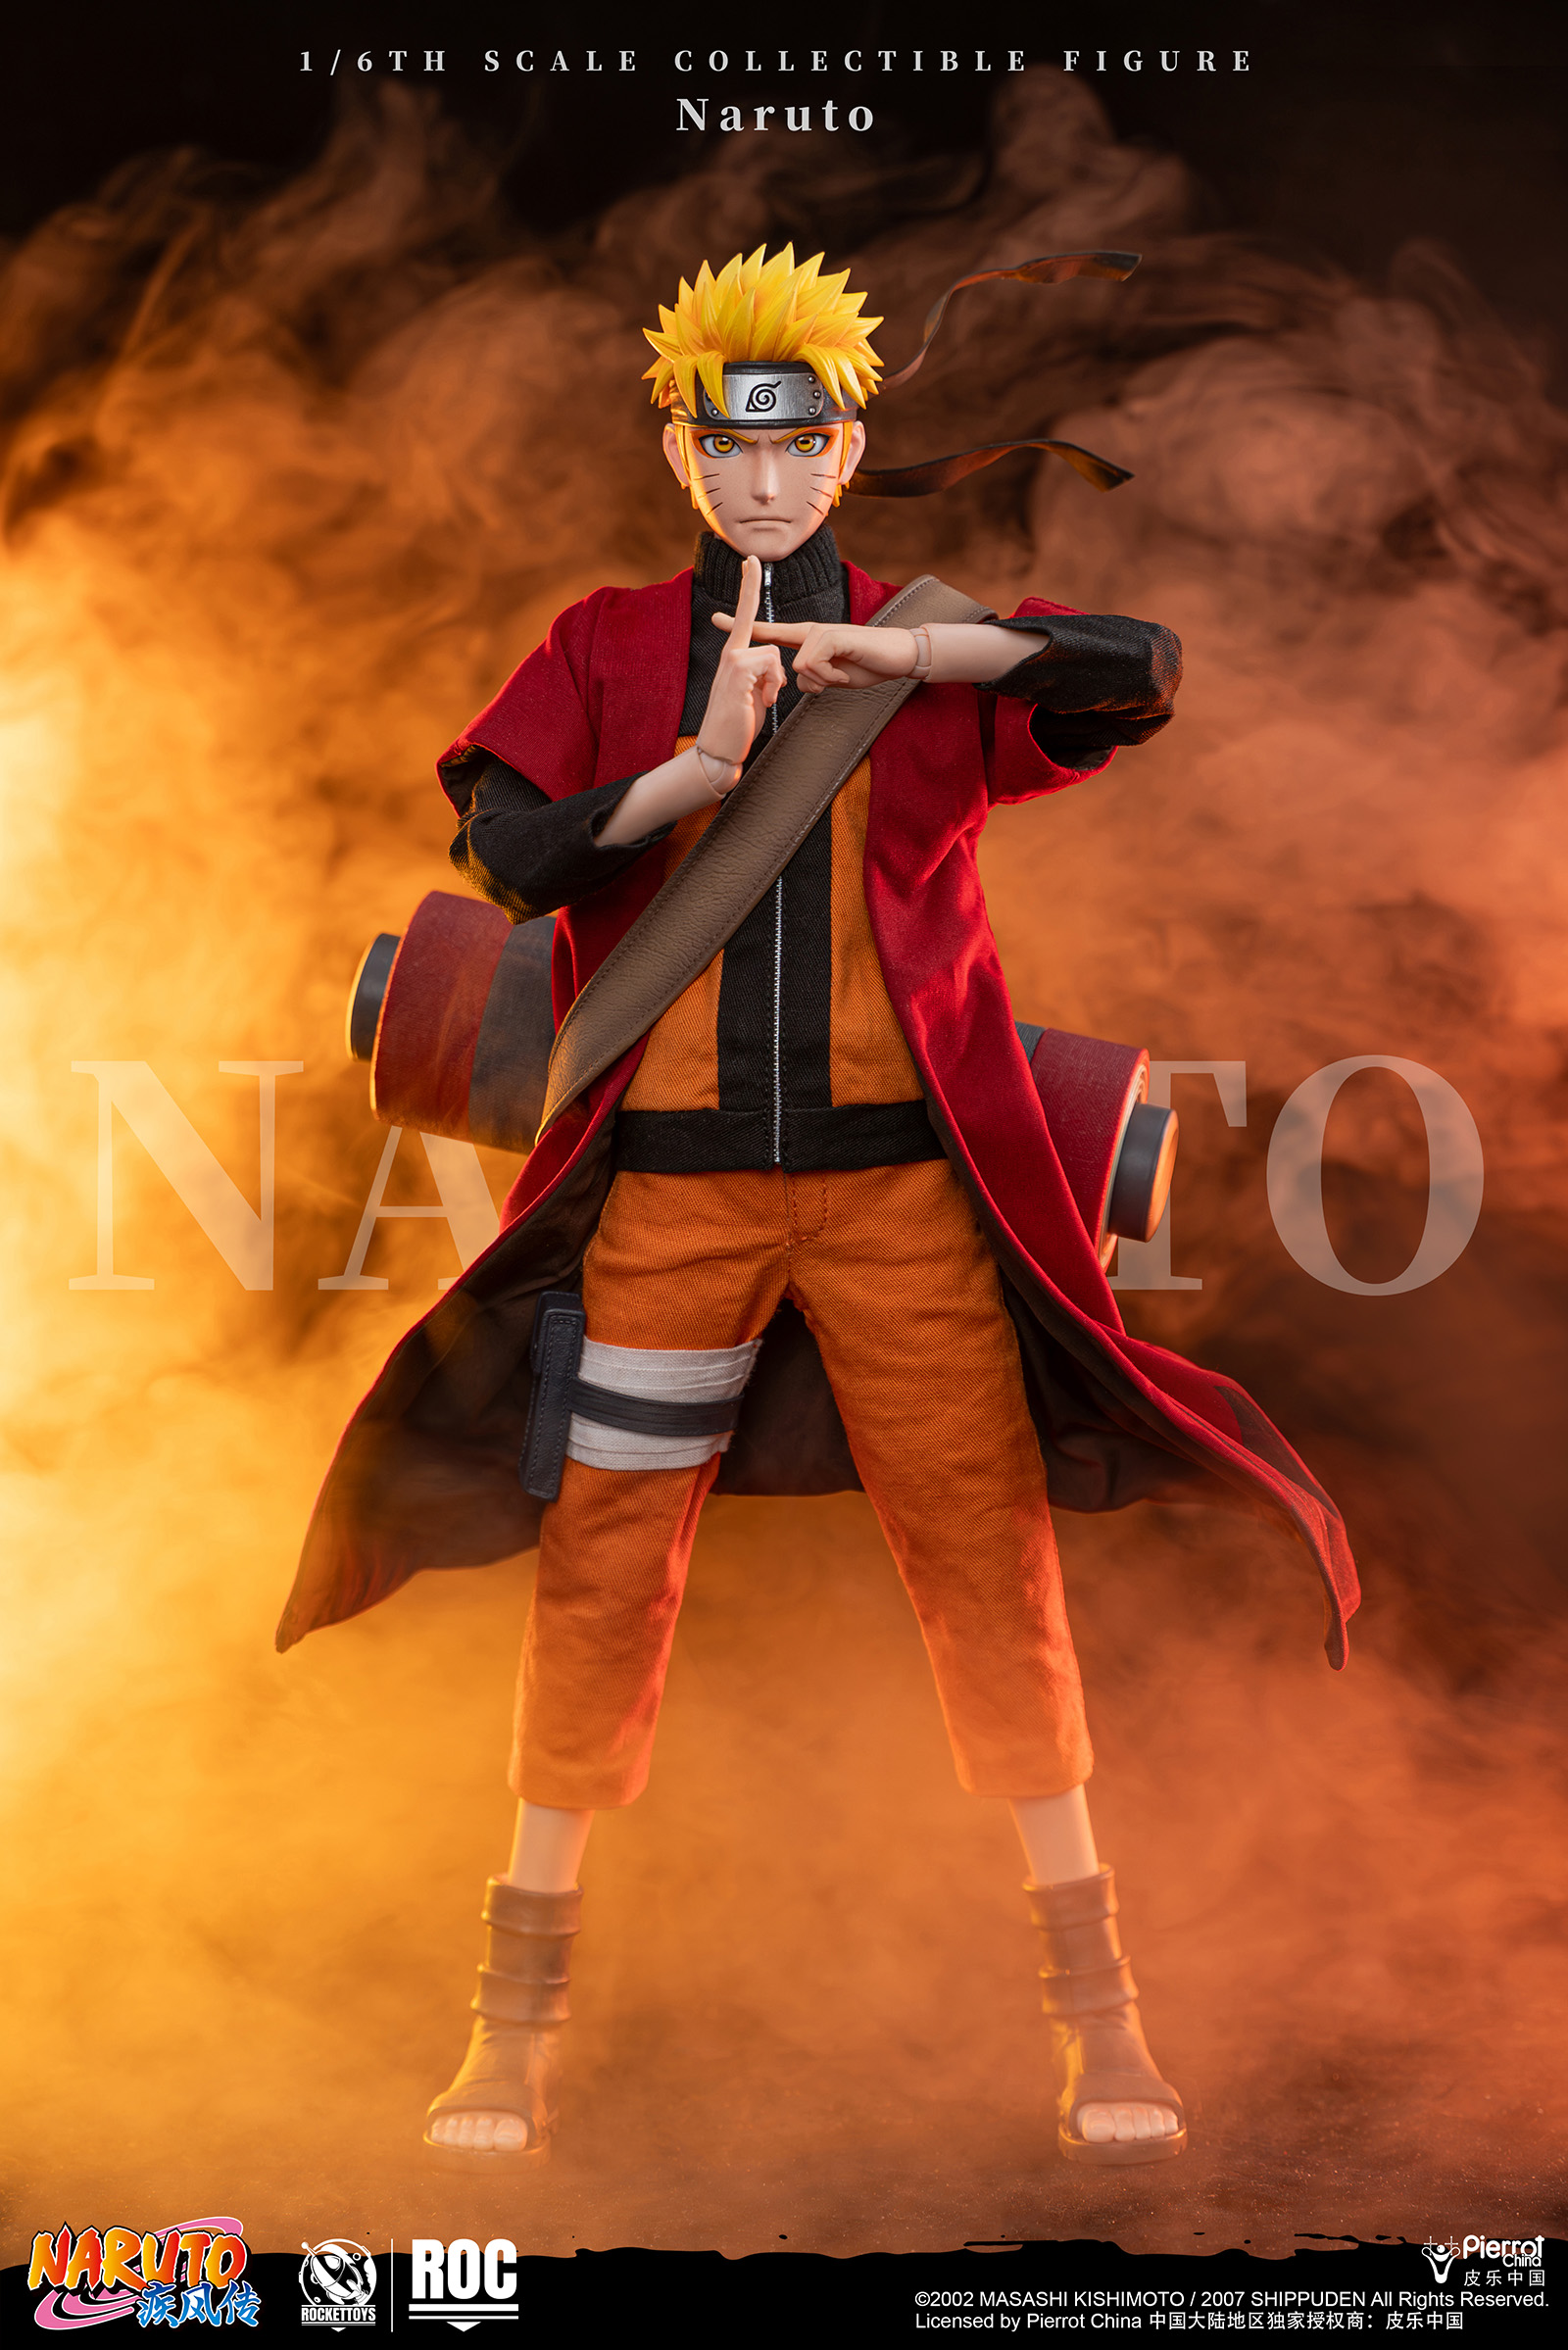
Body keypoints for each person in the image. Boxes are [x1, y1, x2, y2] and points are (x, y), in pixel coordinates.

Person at [277, 246, 1357, 2171]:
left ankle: (1101, 2019)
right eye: (728, 445)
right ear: (682, 452)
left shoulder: (923, 643)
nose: (763, 479)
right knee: (603, 1576)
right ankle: (506, 2036)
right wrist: (689, 772)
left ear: (846, 448)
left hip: (902, 1204)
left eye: (798, 445)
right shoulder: (607, 641)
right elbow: (508, 852)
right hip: (666, 1207)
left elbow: (1137, 669)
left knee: (987, 1570)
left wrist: (917, 661)